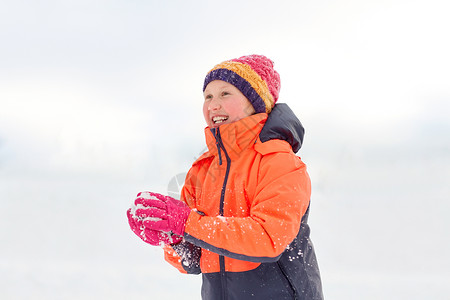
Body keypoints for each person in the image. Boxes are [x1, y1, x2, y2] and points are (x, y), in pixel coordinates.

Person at [127, 54, 323, 300]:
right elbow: (195, 260)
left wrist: (187, 223)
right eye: (208, 96)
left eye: (225, 94)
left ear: (256, 102)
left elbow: (268, 238)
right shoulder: (202, 170)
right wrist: (174, 239)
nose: (213, 105)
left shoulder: (279, 161)